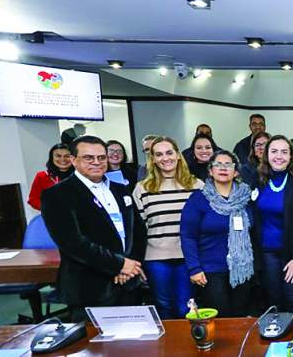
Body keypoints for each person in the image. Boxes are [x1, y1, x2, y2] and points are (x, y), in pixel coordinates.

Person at [41, 136, 147, 322]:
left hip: (128, 281)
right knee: (94, 348)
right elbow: (72, 243)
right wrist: (119, 265)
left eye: (101, 157)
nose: (97, 162)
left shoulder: (120, 189)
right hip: (90, 286)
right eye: (89, 158)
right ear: (74, 160)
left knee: (132, 344)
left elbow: (137, 231)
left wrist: (131, 264)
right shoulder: (57, 195)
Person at [133, 136, 203, 319]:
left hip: (188, 257)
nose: (165, 158)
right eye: (159, 154)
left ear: (178, 155)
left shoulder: (197, 185)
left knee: (185, 307)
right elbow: (139, 228)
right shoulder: (142, 188)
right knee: (163, 307)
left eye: (169, 152)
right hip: (156, 258)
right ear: (153, 159)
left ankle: (187, 346)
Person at [180, 150, 256, 317]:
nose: (223, 168)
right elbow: (187, 236)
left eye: (228, 164)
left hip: (243, 268)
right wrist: (194, 268)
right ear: (210, 171)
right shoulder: (198, 199)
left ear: (236, 171)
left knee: (241, 316)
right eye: (218, 165)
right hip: (210, 271)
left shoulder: (247, 197)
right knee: (221, 318)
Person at [251, 135, 293, 313]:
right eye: (274, 151)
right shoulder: (258, 178)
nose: (279, 156)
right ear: (266, 154)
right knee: (273, 301)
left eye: (284, 152)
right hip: (266, 252)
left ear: (291, 156)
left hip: (291, 253)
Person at [28, 143, 74, 210]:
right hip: (54, 216)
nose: (63, 159)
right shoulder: (42, 176)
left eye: (67, 156)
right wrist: (50, 208)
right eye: (58, 156)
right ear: (51, 158)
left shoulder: (81, 175)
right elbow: (33, 199)